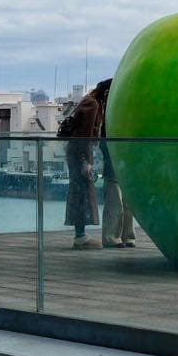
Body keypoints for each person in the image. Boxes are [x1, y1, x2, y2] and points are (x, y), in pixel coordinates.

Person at [64, 80, 110, 248]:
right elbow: (85, 135)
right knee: (82, 192)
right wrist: (85, 162)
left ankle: (80, 235)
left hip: (75, 151)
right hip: (80, 152)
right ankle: (80, 237)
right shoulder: (93, 105)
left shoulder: (88, 101)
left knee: (79, 191)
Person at [100, 102, 135, 248]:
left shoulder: (108, 115)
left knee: (118, 203)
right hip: (123, 164)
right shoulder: (122, 115)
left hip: (117, 164)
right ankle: (121, 236)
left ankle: (116, 236)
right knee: (121, 203)